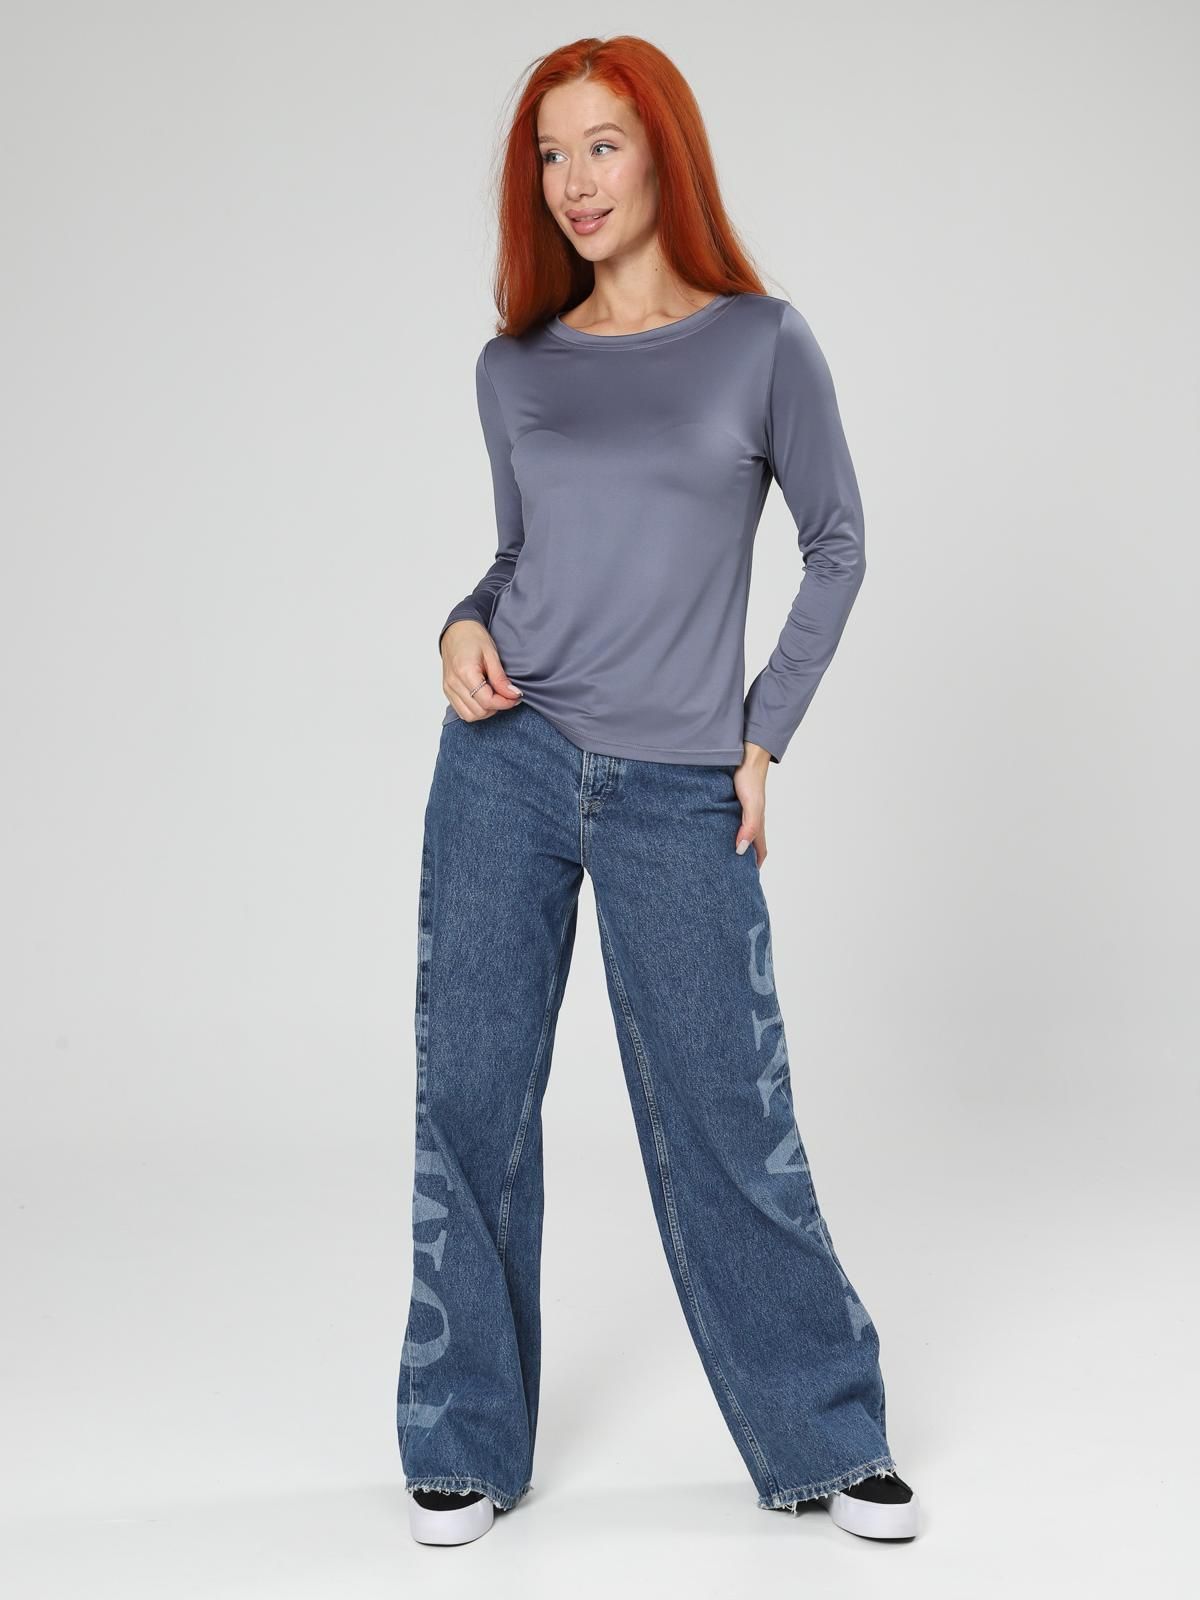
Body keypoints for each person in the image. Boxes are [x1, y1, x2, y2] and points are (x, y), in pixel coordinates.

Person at [398, 34, 920, 1548]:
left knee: (726, 1116)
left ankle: (827, 1435)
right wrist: (461, 622)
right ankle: (460, 1441)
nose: (574, 181)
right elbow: (523, 557)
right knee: (471, 1102)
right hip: (505, 761)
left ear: (663, 153)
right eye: (550, 153)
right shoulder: (515, 367)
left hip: (679, 780)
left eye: (603, 144)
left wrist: (764, 734)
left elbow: (838, 543)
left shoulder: (761, 343)